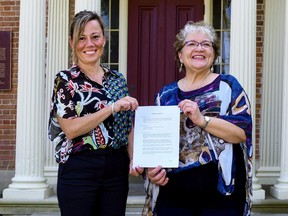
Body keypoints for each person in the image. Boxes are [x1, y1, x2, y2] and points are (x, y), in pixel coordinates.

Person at [142, 21, 253, 216]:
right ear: (180, 55)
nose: (199, 48)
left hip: (220, 196)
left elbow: (241, 133)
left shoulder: (227, 87)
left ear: (214, 54)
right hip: (173, 194)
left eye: (206, 44)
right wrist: (152, 171)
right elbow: (155, 147)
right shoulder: (165, 95)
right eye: (192, 43)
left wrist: (202, 120)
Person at [48, 10, 142, 216]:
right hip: (78, 168)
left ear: (104, 40)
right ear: (72, 42)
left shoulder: (117, 79)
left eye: (95, 37)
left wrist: (135, 158)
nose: (89, 44)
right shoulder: (65, 80)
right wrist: (111, 108)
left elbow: (127, 126)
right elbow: (71, 129)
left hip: (116, 169)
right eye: (82, 38)